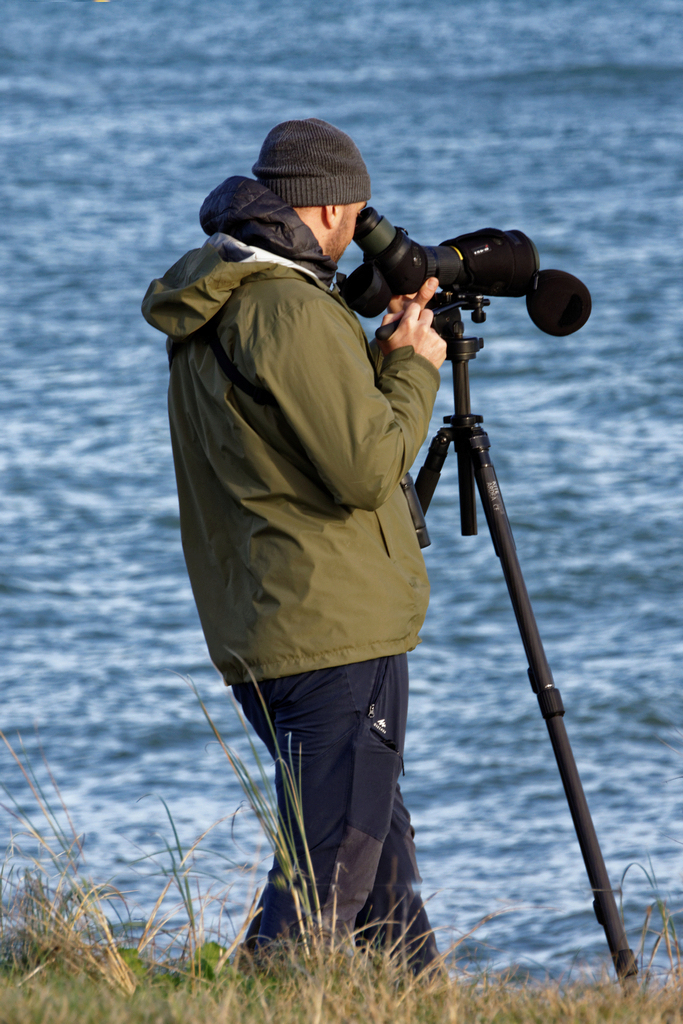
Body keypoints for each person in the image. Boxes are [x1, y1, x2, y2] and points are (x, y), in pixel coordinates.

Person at [141, 118, 446, 970]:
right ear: (325, 212)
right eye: (353, 214)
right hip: (331, 625)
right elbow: (363, 468)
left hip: (269, 618)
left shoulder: (218, 296)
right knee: (331, 864)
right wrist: (412, 365)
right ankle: (260, 992)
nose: (357, 233)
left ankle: (415, 997)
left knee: (373, 848)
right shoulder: (286, 309)